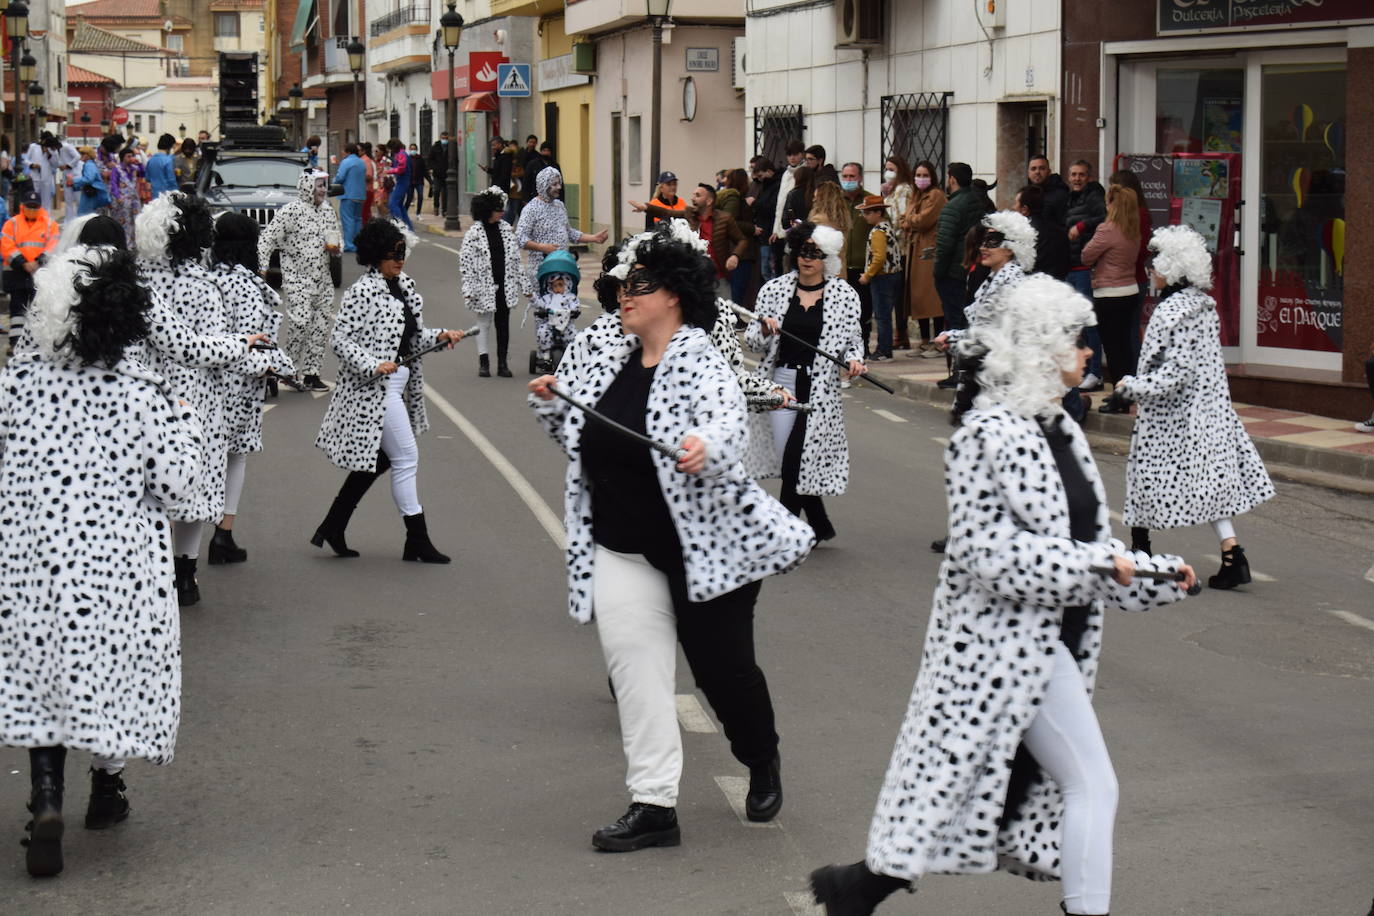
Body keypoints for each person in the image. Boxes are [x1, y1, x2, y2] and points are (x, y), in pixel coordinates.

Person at [809, 273, 1197, 916]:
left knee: (971, 785)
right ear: (1043, 346)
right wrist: (1101, 564)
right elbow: (990, 554)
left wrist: (1156, 575)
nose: (1089, 351)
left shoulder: (1060, 429)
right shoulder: (986, 435)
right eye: (1077, 339)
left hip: (1050, 637)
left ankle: (859, 889)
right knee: (1085, 784)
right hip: (1000, 646)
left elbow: (1087, 546)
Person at [528, 221, 814, 852]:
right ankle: (654, 805)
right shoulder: (608, 358)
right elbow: (579, 437)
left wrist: (704, 446)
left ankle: (760, 757)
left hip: (702, 554)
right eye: (622, 285)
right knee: (637, 676)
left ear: (674, 296)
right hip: (621, 549)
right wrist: (554, 403)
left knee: (724, 676)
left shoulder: (701, 360)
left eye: (639, 285)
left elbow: (725, 423)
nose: (624, 294)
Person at [0, 242, 205, 878]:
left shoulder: (18, 383)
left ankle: (46, 796)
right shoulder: (140, 394)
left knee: (40, 676)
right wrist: (187, 425)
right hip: (114, 564)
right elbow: (177, 489)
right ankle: (106, 790)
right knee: (104, 673)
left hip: (32, 557)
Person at [1109, 225, 1274, 589]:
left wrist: (1131, 388)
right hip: (1203, 413)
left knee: (1147, 476)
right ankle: (1232, 554)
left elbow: (1177, 371)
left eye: (1155, 263)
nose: (1150, 269)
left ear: (1173, 268)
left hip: (1173, 417)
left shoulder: (1173, 310)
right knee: (1208, 485)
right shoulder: (1202, 306)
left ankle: (1141, 551)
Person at [136, 193, 274, 606]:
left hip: (145, 395)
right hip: (194, 398)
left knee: (149, 487)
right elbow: (207, 348)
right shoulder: (201, 286)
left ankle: (152, 569)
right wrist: (245, 346)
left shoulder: (137, 282)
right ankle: (185, 575)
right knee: (192, 486)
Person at [312, 219, 464, 562]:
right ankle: (417, 539)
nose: (400, 259)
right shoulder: (362, 292)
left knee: (380, 459)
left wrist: (441, 336)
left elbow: (414, 339)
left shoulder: (405, 286)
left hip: (399, 385)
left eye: (402, 252)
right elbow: (340, 340)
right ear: (376, 255)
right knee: (406, 457)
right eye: (393, 254)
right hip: (375, 391)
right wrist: (373, 364)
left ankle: (333, 526)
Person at [745, 222, 865, 541]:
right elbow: (753, 343)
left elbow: (854, 341)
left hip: (819, 389)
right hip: (780, 383)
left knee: (796, 462)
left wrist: (855, 360)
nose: (807, 258)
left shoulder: (844, 296)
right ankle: (820, 525)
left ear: (827, 257)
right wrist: (764, 329)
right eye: (802, 251)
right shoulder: (773, 290)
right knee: (796, 460)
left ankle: (785, 535)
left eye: (815, 252)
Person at [207, 212, 296, 565]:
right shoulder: (245, 287)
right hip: (237, 387)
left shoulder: (205, 279)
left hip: (203, 382)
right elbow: (250, 344)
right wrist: (279, 367)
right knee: (233, 458)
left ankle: (181, 548)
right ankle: (222, 533)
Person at [258, 168, 343, 392]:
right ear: (307, 186)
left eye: (324, 185)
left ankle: (312, 374)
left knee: (320, 327)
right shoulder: (290, 211)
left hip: (323, 280)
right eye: (319, 185)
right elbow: (267, 239)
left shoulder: (328, 211)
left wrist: (336, 249)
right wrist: (263, 268)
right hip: (297, 279)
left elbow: (337, 240)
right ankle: (290, 370)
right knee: (300, 323)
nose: (323, 190)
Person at [632, 183, 747, 301]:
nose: (692, 198)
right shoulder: (689, 214)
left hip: (719, 277)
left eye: (697, 195)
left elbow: (742, 240)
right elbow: (667, 213)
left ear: (709, 201)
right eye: (693, 195)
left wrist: (735, 256)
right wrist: (646, 208)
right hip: (696, 276)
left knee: (726, 309)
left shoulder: (725, 218)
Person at [1081, 185, 1142, 405]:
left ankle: (1119, 394)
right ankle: (1127, 388)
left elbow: (1086, 255)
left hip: (1109, 292)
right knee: (1124, 345)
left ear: (1114, 205)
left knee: (1112, 347)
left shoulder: (1107, 229)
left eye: (1108, 202)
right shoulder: (1133, 229)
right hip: (1130, 289)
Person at [460, 186, 530, 378]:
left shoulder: (506, 230)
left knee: (503, 324)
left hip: (505, 285)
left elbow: (515, 260)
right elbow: (466, 264)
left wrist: (525, 286)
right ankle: (484, 362)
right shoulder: (473, 234)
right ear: (487, 210)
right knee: (483, 323)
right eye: (498, 209)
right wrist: (468, 288)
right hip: (483, 286)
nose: (502, 212)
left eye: (502, 208)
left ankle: (502, 363)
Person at [516, 167, 607, 290]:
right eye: (554, 184)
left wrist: (594, 238)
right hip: (543, 271)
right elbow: (520, 238)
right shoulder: (531, 209)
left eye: (559, 183)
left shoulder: (559, 205)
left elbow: (569, 232)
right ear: (544, 185)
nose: (559, 187)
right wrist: (542, 247)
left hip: (563, 268)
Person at [1065, 160, 1107, 389]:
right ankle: (1083, 370)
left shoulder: (1093, 195)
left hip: (1085, 268)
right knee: (1077, 325)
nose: (1077, 179)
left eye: (1081, 174)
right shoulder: (1071, 198)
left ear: (1088, 177)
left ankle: (1095, 373)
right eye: (1073, 174)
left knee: (1089, 322)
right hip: (1070, 266)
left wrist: (1080, 227)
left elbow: (1103, 217)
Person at [2, 187, 59, 351]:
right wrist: (23, 263)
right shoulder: (12, 223)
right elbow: (6, 245)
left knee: (39, 309)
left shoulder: (50, 224)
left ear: (40, 207)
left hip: (40, 273)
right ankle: (15, 343)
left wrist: (38, 262)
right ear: (23, 206)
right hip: (16, 272)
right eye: (29, 206)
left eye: (35, 207)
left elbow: (54, 245)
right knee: (17, 310)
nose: (32, 210)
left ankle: (37, 344)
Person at [932, 162, 985, 337]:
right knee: (967, 318)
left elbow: (945, 245)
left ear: (952, 179)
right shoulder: (977, 201)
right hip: (971, 269)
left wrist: (938, 272)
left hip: (953, 272)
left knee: (955, 320)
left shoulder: (952, 207)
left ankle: (957, 351)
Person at [902, 159, 946, 353]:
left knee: (932, 297)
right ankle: (924, 340)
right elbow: (903, 220)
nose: (921, 179)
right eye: (918, 175)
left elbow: (923, 221)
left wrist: (910, 220)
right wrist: (910, 220)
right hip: (916, 247)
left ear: (932, 177)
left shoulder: (936, 195)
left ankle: (938, 341)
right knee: (918, 296)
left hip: (929, 249)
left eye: (925, 175)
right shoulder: (915, 195)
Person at [855, 195, 902, 362]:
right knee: (885, 314)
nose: (864, 216)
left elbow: (879, 257)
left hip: (883, 277)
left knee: (882, 315)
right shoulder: (887, 227)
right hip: (892, 275)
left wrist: (867, 275)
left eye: (868, 213)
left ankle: (884, 350)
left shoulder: (878, 232)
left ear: (878, 213)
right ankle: (884, 348)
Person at [837, 162, 874, 357]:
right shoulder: (837, 201)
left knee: (864, 310)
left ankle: (863, 346)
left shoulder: (869, 200)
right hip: (841, 267)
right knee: (842, 311)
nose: (848, 180)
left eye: (852, 176)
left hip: (862, 267)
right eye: (845, 176)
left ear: (860, 178)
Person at [881, 155, 916, 350]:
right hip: (894, 248)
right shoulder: (893, 190)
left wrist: (888, 233)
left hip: (899, 247)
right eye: (886, 169)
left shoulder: (903, 190)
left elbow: (899, 218)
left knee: (898, 294)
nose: (888, 173)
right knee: (896, 294)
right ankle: (900, 333)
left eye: (892, 169)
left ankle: (901, 333)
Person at [528, 249, 581, 375]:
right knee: (542, 332)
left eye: (560, 285)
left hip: (566, 324)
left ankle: (572, 355)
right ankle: (545, 354)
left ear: (566, 284)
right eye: (554, 286)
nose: (557, 288)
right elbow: (540, 303)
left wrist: (575, 310)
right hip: (550, 324)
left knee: (574, 335)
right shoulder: (548, 298)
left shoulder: (570, 297)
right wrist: (533, 298)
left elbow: (575, 305)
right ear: (550, 286)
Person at [716, 168, 757, 306]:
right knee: (737, 290)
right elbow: (730, 221)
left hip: (733, 249)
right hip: (739, 251)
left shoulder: (729, 197)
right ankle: (735, 316)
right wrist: (752, 228)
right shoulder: (734, 198)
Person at [1016, 184, 1070, 280]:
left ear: (1024, 209)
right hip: (1057, 284)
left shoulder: (1021, 234)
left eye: (1015, 203)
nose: (1013, 207)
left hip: (1031, 284)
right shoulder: (1059, 231)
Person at [749, 157, 781, 282]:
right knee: (766, 271)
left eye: (761, 175)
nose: (760, 179)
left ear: (769, 171)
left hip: (769, 234)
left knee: (768, 271)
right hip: (765, 233)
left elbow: (772, 208)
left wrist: (754, 203)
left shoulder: (775, 186)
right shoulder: (766, 185)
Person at [770, 140, 806, 251]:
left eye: (795, 154)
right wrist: (776, 230)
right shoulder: (786, 174)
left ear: (802, 154)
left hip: (796, 227)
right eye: (789, 155)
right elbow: (780, 204)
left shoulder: (805, 172)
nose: (792, 158)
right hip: (782, 227)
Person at [107, 147, 144, 249]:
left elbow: (143, 173)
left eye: (132, 156)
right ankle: (124, 244)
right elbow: (113, 183)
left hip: (134, 199)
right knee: (124, 222)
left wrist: (139, 163)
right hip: (123, 200)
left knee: (135, 221)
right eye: (129, 156)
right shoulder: (117, 169)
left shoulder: (134, 168)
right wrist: (117, 196)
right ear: (123, 157)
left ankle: (134, 244)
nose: (131, 158)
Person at [334, 143, 366, 252]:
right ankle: (357, 243)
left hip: (348, 194)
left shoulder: (346, 162)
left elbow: (340, 177)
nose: (342, 152)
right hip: (360, 195)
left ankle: (349, 244)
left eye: (343, 150)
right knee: (357, 219)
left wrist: (333, 181)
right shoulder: (361, 162)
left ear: (348, 151)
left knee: (348, 219)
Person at [1028, 153, 1069, 226]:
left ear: (1049, 172)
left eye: (1042, 168)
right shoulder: (1027, 194)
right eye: (1033, 169)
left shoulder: (1060, 195)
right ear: (1028, 173)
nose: (1037, 172)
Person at [71, 146, 110, 216]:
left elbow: (89, 179)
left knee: (85, 215)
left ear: (88, 155)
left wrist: (73, 181)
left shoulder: (89, 165)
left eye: (83, 154)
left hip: (91, 194)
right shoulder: (90, 164)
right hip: (92, 193)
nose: (81, 155)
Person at [384, 139, 414, 230]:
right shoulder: (401, 154)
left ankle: (400, 225)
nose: (390, 151)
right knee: (400, 205)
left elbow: (401, 168)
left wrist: (389, 171)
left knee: (392, 203)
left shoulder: (401, 154)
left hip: (402, 181)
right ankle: (408, 227)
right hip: (402, 181)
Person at [146, 134, 178, 198]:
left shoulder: (151, 160)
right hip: (166, 195)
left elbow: (148, 178)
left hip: (154, 195)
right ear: (170, 147)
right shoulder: (168, 160)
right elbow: (171, 180)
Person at [429, 132, 451, 215]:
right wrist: (434, 168)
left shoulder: (450, 147)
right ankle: (436, 207)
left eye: (446, 138)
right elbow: (430, 159)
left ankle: (444, 210)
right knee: (436, 191)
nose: (444, 140)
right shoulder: (435, 147)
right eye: (443, 138)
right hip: (437, 174)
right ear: (440, 138)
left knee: (446, 193)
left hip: (447, 174)